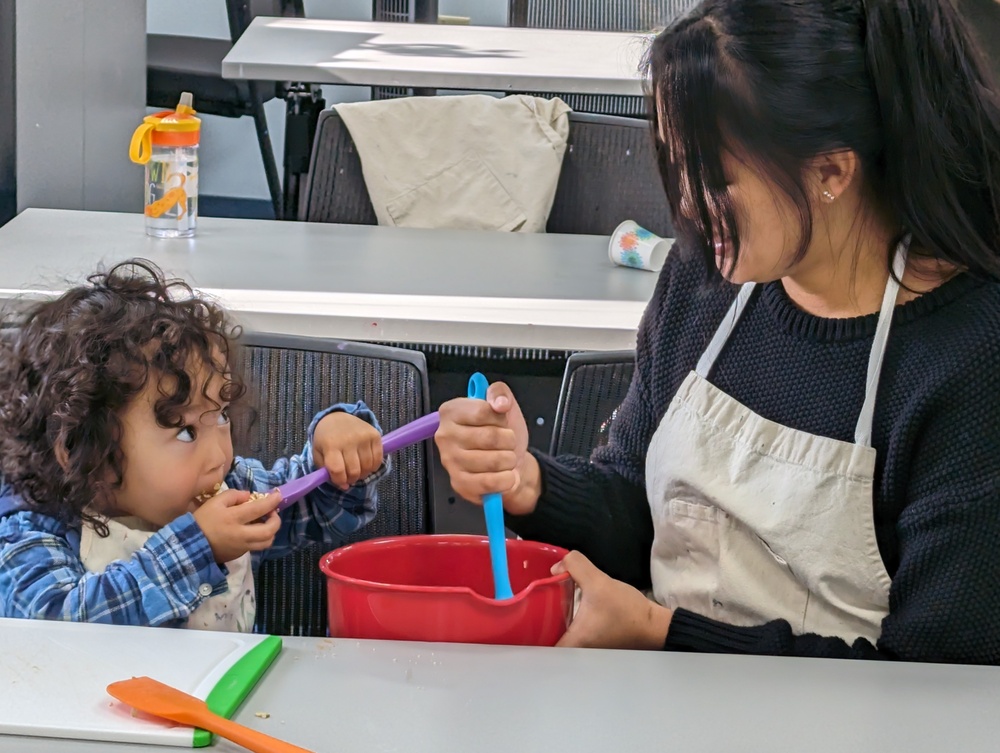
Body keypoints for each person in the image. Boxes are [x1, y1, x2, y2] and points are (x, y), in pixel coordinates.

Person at [435, 0, 1000, 662]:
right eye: (676, 166)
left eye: (714, 179)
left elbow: (935, 674)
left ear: (831, 172)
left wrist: (660, 631)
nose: (683, 205)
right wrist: (530, 481)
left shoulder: (968, 357)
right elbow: (639, 506)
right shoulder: (705, 284)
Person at [0, 259, 388, 631]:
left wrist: (337, 449)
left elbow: (315, 508)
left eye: (220, 415)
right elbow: (56, 627)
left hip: (224, 696)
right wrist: (197, 549)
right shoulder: (33, 532)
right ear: (83, 448)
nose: (220, 456)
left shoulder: (231, 486)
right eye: (185, 431)